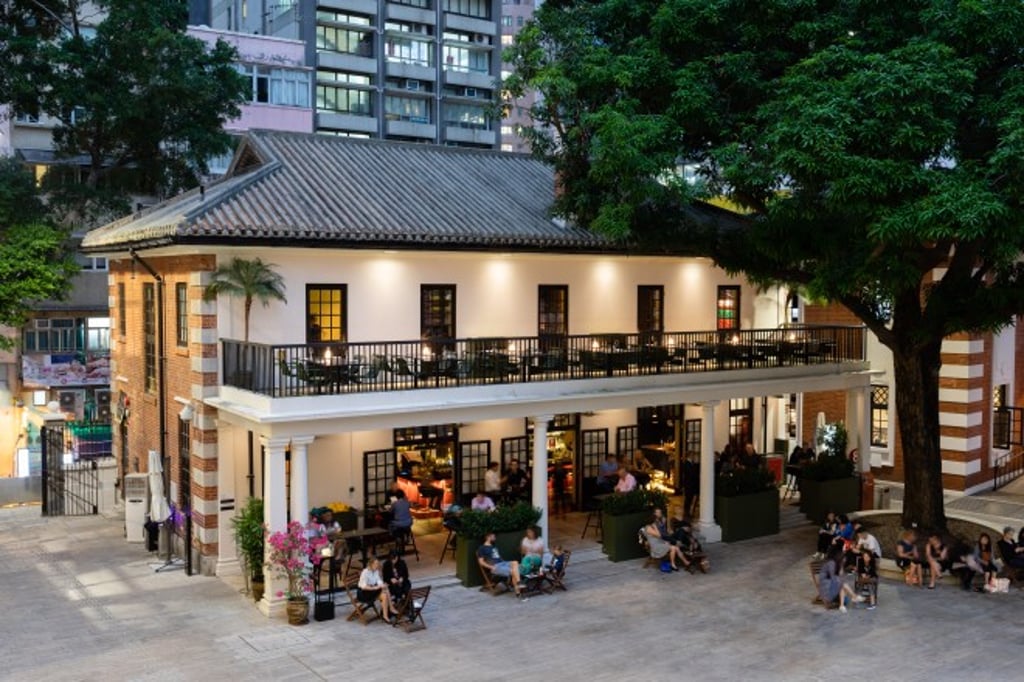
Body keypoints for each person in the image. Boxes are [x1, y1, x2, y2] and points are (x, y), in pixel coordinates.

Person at [477, 531, 525, 598]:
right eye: (493, 536)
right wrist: (491, 567)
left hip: (503, 563)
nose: (495, 537)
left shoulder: (493, 546)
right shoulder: (482, 548)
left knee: (515, 562)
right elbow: (481, 562)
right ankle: (518, 592)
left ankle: (519, 583)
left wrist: (504, 562)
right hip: (495, 566)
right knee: (513, 571)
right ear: (488, 537)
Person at [818, 545, 863, 613]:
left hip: (832, 584)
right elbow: (833, 577)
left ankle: (842, 605)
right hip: (827, 586)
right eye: (844, 558)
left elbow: (841, 576)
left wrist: (841, 566)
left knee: (841, 584)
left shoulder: (837, 564)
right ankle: (854, 597)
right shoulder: (831, 564)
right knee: (841, 583)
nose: (845, 559)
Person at [358, 556, 394, 622]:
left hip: (372, 591)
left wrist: (381, 585)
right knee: (385, 591)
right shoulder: (365, 572)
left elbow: (378, 580)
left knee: (384, 594)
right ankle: (391, 608)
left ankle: (385, 616)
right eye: (376, 564)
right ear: (371, 564)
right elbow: (364, 587)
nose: (377, 565)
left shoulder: (375, 571)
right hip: (364, 593)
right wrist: (376, 587)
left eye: (378, 564)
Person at [682, 452, 700, 520]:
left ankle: (688, 512)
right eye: (693, 455)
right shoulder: (687, 464)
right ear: (689, 456)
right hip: (689, 485)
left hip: (691, 485)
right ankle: (686, 513)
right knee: (688, 499)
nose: (693, 457)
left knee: (690, 499)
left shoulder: (691, 463)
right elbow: (690, 474)